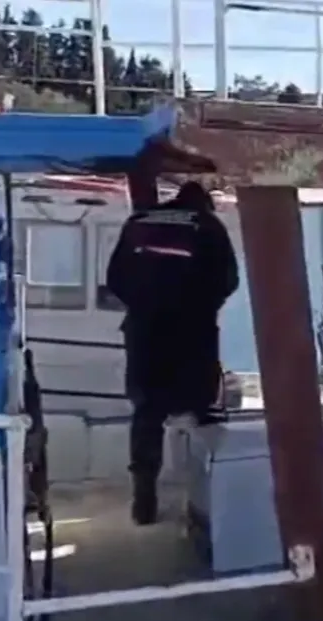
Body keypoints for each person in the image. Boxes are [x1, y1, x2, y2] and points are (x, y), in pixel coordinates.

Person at [106, 181, 239, 526]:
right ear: (204, 203)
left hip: (145, 334)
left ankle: (144, 501)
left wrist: (144, 305)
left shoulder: (140, 221)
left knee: (147, 415)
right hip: (192, 334)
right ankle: (213, 498)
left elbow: (115, 278)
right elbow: (228, 280)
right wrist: (200, 306)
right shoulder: (207, 226)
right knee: (204, 412)